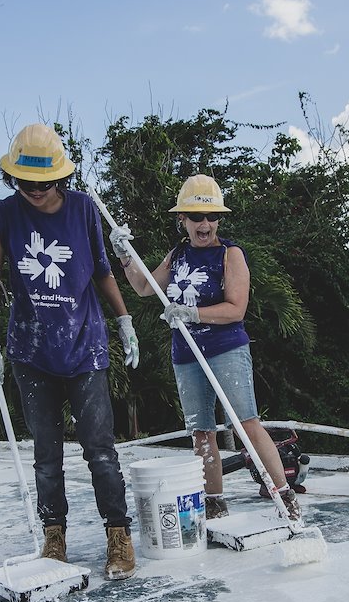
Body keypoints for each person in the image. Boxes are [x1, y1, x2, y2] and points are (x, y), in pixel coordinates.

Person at [0, 124, 138, 579]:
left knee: (100, 450)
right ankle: (54, 539)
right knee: (46, 454)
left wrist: (124, 320)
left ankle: (118, 536)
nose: (36, 191)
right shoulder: (1, 216)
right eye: (26, 183)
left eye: (44, 184)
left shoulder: (85, 209)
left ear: (60, 178)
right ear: (14, 179)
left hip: (85, 347)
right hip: (31, 350)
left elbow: (103, 272)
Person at [110, 174, 302, 522]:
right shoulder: (178, 253)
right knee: (201, 430)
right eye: (196, 217)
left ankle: (284, 494)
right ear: (182, 219)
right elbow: (142, 286)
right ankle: (214, 500)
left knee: (246, 423)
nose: (205, 224)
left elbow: (236, 308)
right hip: (185, 354)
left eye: (211, 217)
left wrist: (192, 312)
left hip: (225, 348)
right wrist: (124, 255)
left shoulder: (230, 254)